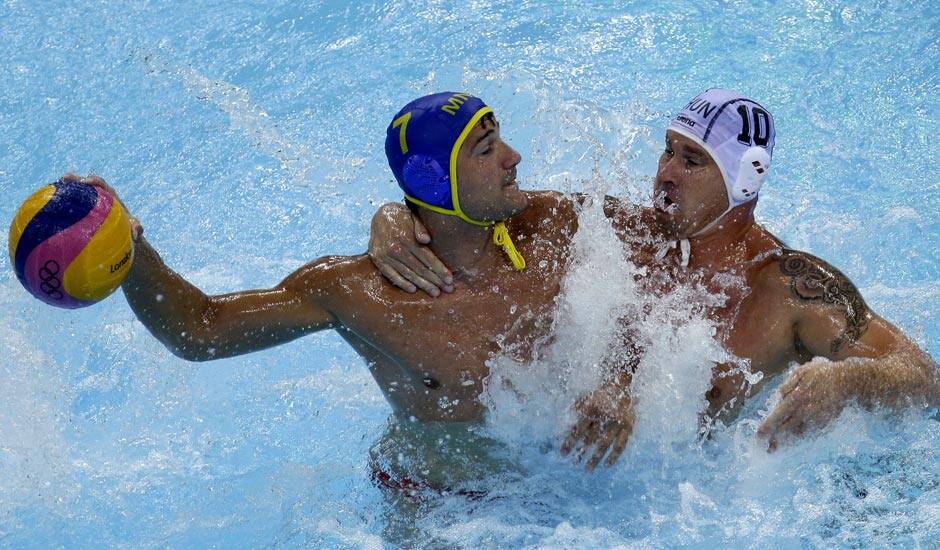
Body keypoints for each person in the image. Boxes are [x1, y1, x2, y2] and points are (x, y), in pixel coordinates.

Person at [70, 92, 636, 477]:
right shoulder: (358, 293)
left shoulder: (554, 226)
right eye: (487, 151)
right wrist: (133, 249)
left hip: (560, 478)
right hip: (435, 503)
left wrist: (616, 381)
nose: (515, 158)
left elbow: (661, 274)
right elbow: (199, 331)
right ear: (432, 181)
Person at [368, 88, 939, 459]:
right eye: (667, 151)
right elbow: (485, 206)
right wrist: (395, 214)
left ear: (743, 182)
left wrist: (849, 381)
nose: (665, 173)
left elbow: (926, 378)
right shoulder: (633, 231)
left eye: (691, 162)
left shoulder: (791, 289)